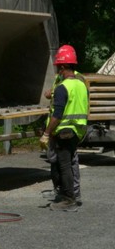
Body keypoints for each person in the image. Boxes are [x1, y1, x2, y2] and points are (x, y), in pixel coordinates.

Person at [40, 45, 88, 211]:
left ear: (62, 67)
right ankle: (69, 195)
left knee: (64, 165)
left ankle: (69, 200)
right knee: (68, 163)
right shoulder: (80, 83)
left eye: (58, 68)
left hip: (64, 130)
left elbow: (58, 114)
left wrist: (46, 133)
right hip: (77, 129)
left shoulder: (63, 87)